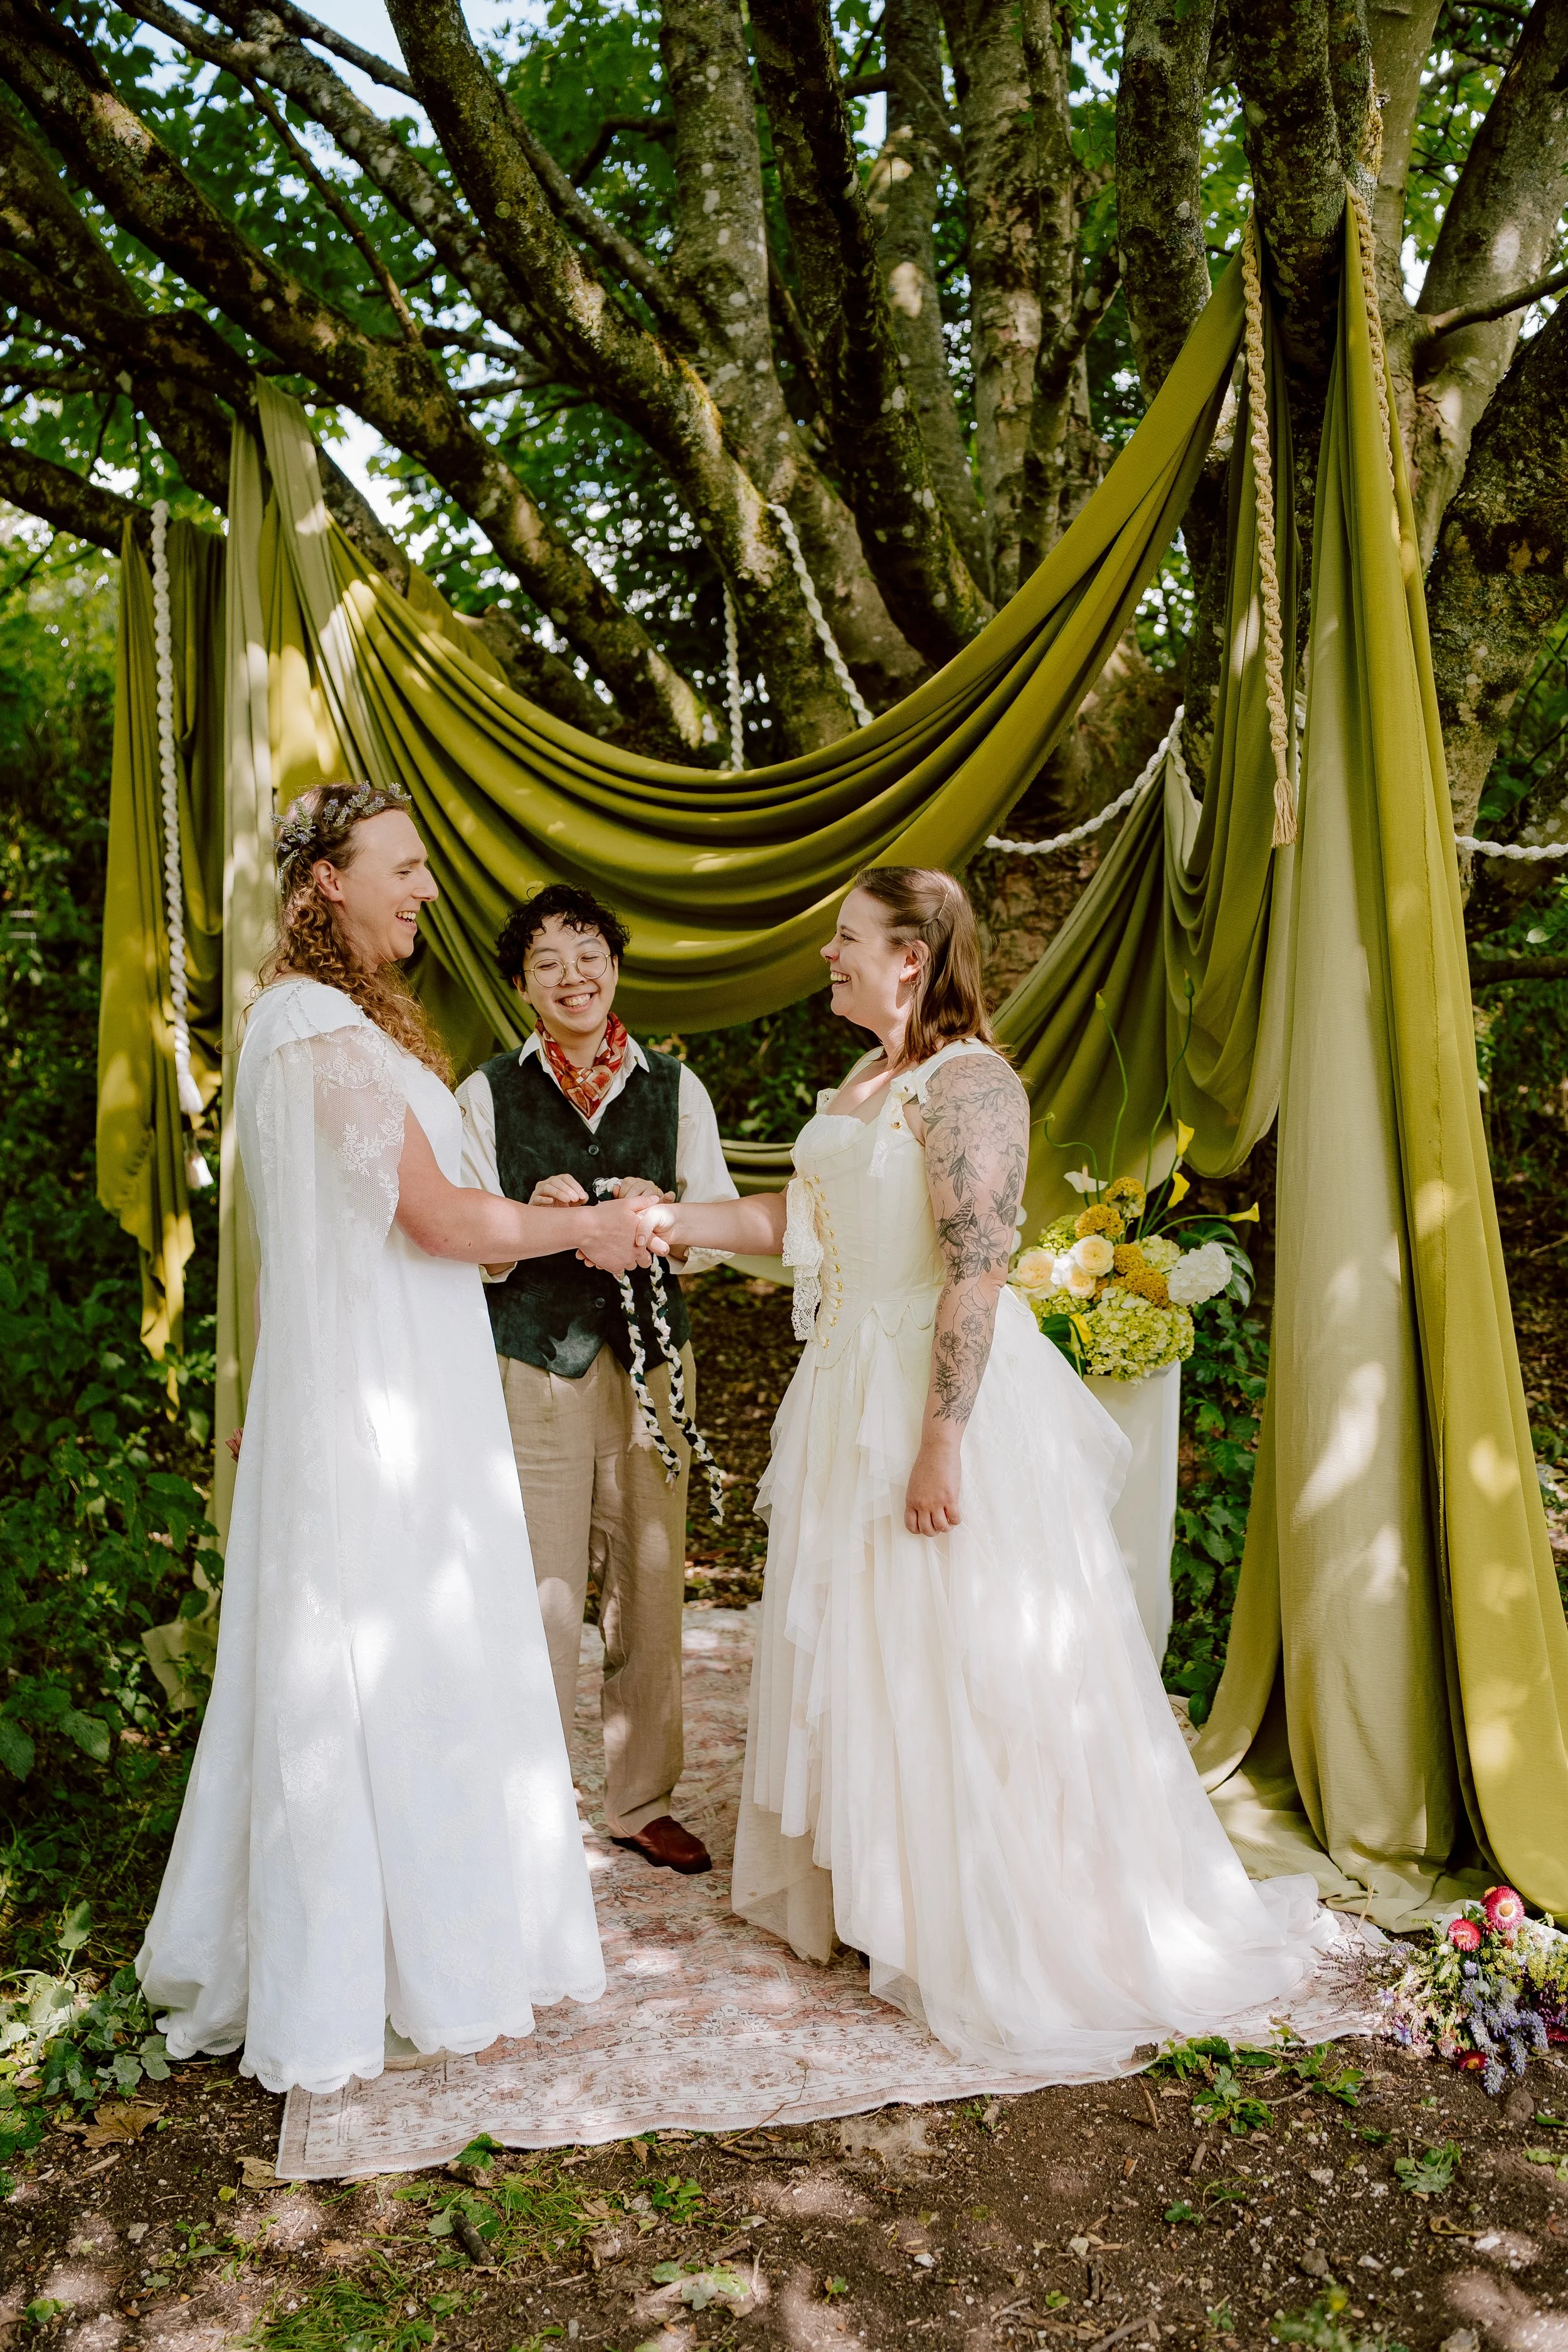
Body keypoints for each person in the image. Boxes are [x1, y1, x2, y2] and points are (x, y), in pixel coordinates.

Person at [633, 866, 1333, 2077]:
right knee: (867, 1642)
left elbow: (975, 1266)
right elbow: (796, 1224)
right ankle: (884, 1894)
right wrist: (667, 1218)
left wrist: (942, 1438)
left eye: (847, 938)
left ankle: (986, 1917)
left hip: (932, 1393)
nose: (829, 955)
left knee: (961, 1651)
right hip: (845, 1383)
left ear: (912, 957)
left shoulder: (969, 1084)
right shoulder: (864, 1082)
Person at [137, 785, 658, 2097]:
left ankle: (431, 1939)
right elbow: (432, 1227)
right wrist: (580, 1227)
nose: (427, 890)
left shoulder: (337, 1022)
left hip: (402, 1380)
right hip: (380, 1408)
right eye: (405, 869)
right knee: (386, 1672)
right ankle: (375, 1968)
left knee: (425, 1660)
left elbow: (370, 1222)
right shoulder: (310, 1025)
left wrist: (513, 1209)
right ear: (327, 885)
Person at [455, 885, 738, 1877]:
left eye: (589, 954)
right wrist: (530, 1213)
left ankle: (641, 1799)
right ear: (523, 985)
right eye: (548, 962)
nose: (573, 976)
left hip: (656, 1362)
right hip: (535, 1358)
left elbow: (720, 1230)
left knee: (653, 1582)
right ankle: (523, 1802)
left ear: (615, 964)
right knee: (538, 1585)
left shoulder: (676, 1089)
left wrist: (670, 1216)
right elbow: (466, 1240)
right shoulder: (487, 1093)